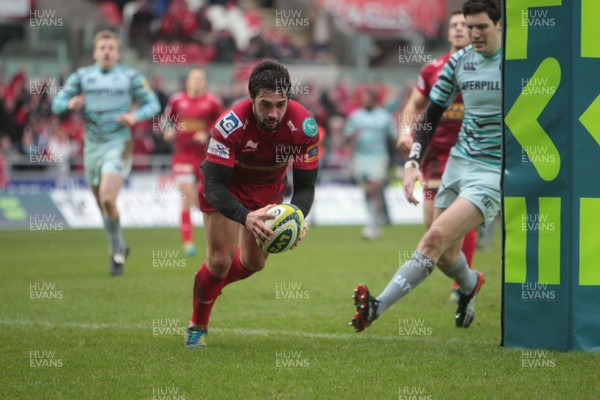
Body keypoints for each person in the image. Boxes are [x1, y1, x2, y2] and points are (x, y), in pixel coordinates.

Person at [350, 0, 502, 331]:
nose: (474, 33)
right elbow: (430, 115)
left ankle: (377, 307)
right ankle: (470, 282)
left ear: (499, 26)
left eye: (481, 27)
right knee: (446, 254)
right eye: (469, 26)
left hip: (491, 171)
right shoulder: (459, 62)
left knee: (433, 239)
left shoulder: (515, 65)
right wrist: (412, 161)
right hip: (457, 163)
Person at [184, 60, 320, 348]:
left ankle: (208, 283)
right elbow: (214, 185)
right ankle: (198, 324)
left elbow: (306, 186)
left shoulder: (305, 127)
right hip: (226, 186)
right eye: (265, 105)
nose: (274, 113)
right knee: (219, 261)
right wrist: (246, 217)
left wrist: (297, 216)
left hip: (267, 190)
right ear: (252, 99)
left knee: (254, 263)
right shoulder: (229, 125)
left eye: (280, 104)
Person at [52, 30, 161, 275]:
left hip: (119, 143)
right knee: (102, 203)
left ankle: (116, 253)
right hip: (92, 146)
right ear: (94, 53)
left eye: (111, 48)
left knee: (108, 198)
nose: (107, 52)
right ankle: (118, 247)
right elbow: (56, 103)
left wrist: (135, 116)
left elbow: (153, 104)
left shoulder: (130, 77)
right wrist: (68, 104)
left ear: (119, 53)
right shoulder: (82, 77)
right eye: (103, 48)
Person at [396, 10, 477, 301]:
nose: (458, 29)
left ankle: (461, 287)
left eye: (464, 25)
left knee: (457, 219)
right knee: (433, 229)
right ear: (447, 33)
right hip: (435, 154)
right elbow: (412, 107)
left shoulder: (485, 68)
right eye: (453, 25)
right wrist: (406, 133)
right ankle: (467, 279)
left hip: (470, 154)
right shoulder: (433, 69)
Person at [162, 69, 223, 256]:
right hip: (183, 155)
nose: (197, 81)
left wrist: (207, 134)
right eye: (194, 78)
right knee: (186, 195)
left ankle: (214, 240)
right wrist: (168, 131)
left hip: (205, 157)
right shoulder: (176, 100)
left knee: (203, 201)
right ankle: (188, 243)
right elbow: (165, 121)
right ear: (187, 82)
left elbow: (221, 125)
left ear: (204, 82)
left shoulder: (212, 102)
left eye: (200, 79)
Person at [343, 88, 396, 240]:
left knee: (375, 188)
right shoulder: (356, 117)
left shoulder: (384, 117)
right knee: (367, 192)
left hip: (379, 156)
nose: (365, 101)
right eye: (363, 99)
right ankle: (372, 221)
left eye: (367, 98)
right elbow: (346, 137)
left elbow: (393, 137)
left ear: (374, 100)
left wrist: (399, 157)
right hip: (361, 157)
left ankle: (373, 224)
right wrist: (353, 135)